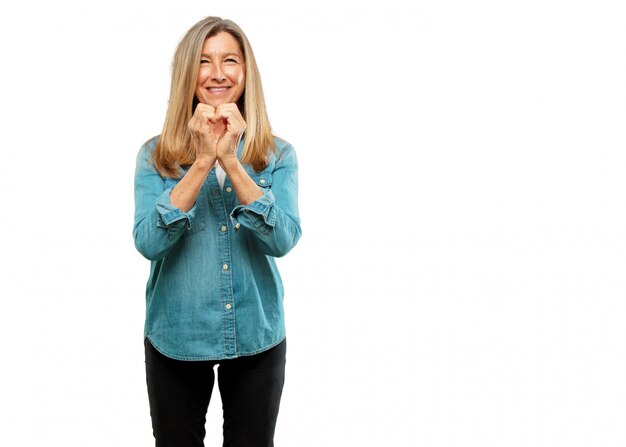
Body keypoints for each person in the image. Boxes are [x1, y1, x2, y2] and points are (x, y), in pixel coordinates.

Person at [133, 16, 301, 447]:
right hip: (177, 334)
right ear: (188, 73)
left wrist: (231, 161)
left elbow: (282, 240)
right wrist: (204, 159)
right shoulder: (155, 155)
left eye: (230, 60)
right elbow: (148, 243)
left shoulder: (277, 154)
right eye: (204, 62)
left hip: (257, 334)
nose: (218, 73)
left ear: (246, 71)